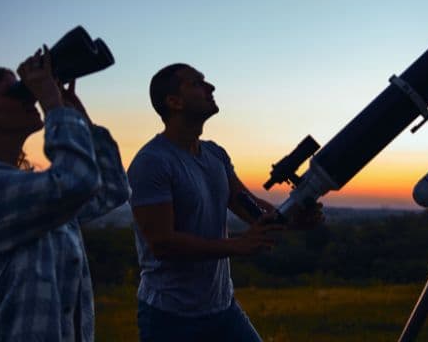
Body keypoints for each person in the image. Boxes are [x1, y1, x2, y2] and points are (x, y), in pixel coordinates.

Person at [0, 47, 129, 341]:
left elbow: (112, 189)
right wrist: (54, 107)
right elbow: (77, 181)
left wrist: (79, 118)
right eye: (15, 92)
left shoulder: (29, 190)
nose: (30, 96)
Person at [128, 63, 321, 342]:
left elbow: (250, 208)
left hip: (223, 309)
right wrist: (237, 245)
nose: (211, 87)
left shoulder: (215, 154)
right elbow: (163, 244)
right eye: (197, 83)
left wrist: (293, 219)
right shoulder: (152, 162)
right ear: (174, 102)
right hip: (170, 317)